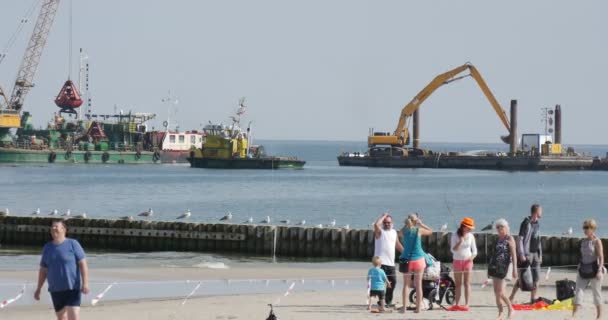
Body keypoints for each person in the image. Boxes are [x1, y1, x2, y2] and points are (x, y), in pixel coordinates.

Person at [34, 220, 90, 320]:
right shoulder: (47, 247)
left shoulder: (73, 244)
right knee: (61, 318)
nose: (53, 228)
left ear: (64, 229)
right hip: (56, 290)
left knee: (73, 317)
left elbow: (83, 264)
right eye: (52, 227)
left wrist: (85, 283)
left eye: (56, 226)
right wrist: (38, 288)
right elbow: (43, 270)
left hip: (72, 288)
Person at [398, 213, 432, 313]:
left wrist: (406, 224)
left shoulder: (404, 231)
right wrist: (421, 224)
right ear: (415, 221)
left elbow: (399, 234)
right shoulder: (418, 230)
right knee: (418, 285)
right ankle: (418, 308)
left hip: (407, 260)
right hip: (419, 260)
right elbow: (430, 232)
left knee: (406, 285)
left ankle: (404, 308)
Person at [572, 219, 605, 320]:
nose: (584, 230)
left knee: (596, 294)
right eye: (584, 228)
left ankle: (599, 316)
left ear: (593, 229)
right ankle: (574, 316)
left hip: (595, 270)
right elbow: (583, 256)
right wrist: (579, 264)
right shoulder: (583, 242)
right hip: (583, 270)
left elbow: (601, 257)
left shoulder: (597, 241)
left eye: (587, 228)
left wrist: (600, 270)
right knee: (578, 293)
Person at [510, 204, 542, 303]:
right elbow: (520, 239)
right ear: (536, 212)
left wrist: (540, 254)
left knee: (536, 278)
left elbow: (538, 239)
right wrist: (522, 254)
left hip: (535, 254)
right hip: (526, 254)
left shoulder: (537, 223)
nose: (542, 213)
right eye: (541, 211)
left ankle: (532, 299)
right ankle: (511, 297)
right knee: (523, 277)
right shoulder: (525, 223)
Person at [488, 218, 517, 320]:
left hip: (506, 267)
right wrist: (489, 270)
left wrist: (515, 269)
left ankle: (511, 309)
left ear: (506, 228)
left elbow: (514, 255)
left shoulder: (510, 238)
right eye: (498, 227)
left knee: (501, 292)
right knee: (496, 293)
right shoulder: (496, 240)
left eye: (502, 227)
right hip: (496, 267)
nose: (500, 229)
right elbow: (493, 255)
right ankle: (500, 313)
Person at [373, 212, 403, 307]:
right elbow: (376, 224)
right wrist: (383, 216)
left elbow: (397, 244)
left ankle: (386, 301)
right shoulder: (380, 232)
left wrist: (405, 253)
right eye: (385, 222)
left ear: (392, 223)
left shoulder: (394, 232)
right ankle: (383, 301)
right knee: (381, 284)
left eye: (389, 222)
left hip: (391, 263)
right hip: (380, 263)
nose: (387, 224)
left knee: (393, 282)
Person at [447, 217, 477, 311]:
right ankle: (457, 304)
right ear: (463, 226)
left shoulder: (471, 236)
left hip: (468, 261)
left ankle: (467, 304)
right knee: (458, 284)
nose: (470, 229)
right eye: (468, 227)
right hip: (457, 261)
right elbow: (453, 250)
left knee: (467, 283)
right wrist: (460, 242)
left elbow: (475, 251)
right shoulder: (455, 235)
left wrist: (471, 258)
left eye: (470, 228)